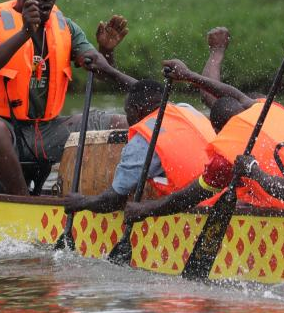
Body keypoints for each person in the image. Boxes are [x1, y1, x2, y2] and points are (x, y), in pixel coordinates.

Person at [0, 0, 133, 195]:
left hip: (48, 130)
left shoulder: (66, 27)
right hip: (4, 129)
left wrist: (106, 53)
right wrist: (25, 32)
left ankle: (112, 197)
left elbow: (98, 69)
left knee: (124, 124)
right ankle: (24, 204)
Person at [122, 58, 284, 221]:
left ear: (216, 129)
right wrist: (189, 76)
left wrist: (145, 210)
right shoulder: (267, 110)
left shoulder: (228, 154)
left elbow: (189, 198)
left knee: (231, 195)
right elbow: (236, 95)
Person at [63, 79, 216, 214]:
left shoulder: (143, 140)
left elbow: (114, 200)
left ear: (136, 110)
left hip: (199, 207)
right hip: (227, 197)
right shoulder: (186, 109)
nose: (127, 117)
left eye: (127, 112)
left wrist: (81, 202)